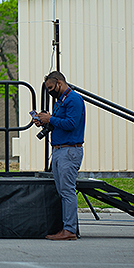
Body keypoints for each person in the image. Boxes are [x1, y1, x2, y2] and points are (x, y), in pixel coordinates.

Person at [36, 71, 86, 240]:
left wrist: (50, 119)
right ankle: (67, 228)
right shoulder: (61, 101)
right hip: (59, 150)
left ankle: (69, 230)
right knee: (63, 191)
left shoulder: (74, 99)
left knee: (67, 191)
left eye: (51, 87)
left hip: (69, 150)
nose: (50, 91)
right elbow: (58, 123)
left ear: (59, 82)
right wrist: (43, 121)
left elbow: (71, 124)